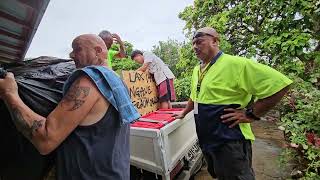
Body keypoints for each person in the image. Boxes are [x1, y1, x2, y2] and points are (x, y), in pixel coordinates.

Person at [0, 34, 140, 180]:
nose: (71, 54)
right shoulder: (118, 82)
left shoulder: (89, 82)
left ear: (98, 51)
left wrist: (9, 94)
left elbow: (46, 139)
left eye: (77, 49)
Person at [174, 27, 293, 180]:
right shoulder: (197, 69)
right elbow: (194, 95)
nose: (194, 47)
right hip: (207, 139)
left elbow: (280, 85)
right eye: (193, 43)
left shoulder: (236, 64)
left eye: (199, 42)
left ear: (215, 41)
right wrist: (183, 113)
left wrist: (251, 114)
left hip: (230, 140)